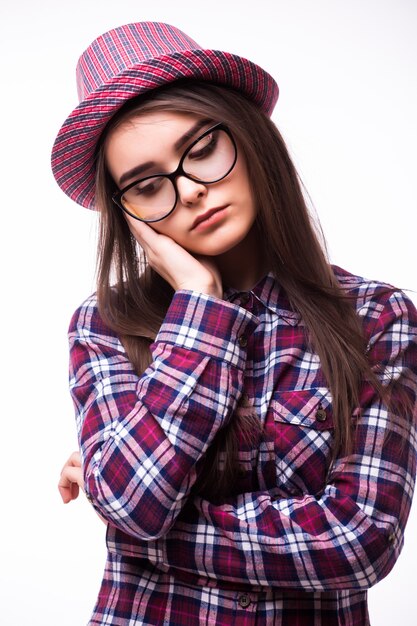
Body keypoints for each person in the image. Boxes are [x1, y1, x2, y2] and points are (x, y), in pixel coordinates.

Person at [54, 21, 417, 626]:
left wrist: (121, 503)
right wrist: (200, 303)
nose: (190, 190)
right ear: (128, 215)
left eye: (201, 151)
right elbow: (135, 504)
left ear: (249, 137)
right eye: (147, 185)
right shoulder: (104, 325)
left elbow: (358, 542)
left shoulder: (377, 316)